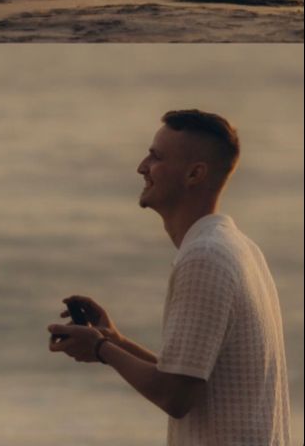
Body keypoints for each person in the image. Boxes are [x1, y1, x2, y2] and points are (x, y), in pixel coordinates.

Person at [47, 109, 291, 445]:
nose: (141, 166)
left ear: (194, 174)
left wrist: (101, 348)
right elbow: (189, 377)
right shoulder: (238, 247)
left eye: (156, 156)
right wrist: (116, 342)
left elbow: (176, 396)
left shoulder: (204, 258)